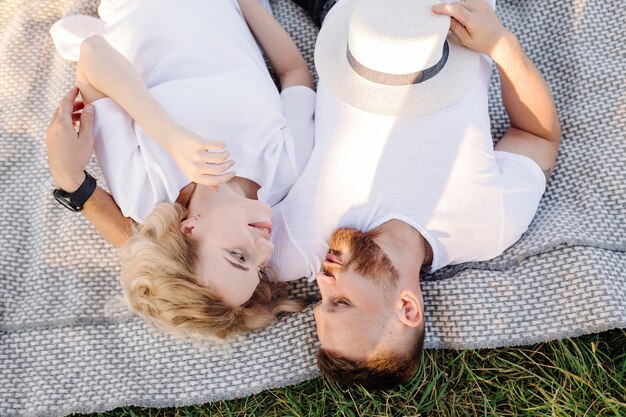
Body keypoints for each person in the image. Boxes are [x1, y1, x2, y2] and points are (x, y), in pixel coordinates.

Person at [272, 0, 561, 388]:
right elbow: (538, 137)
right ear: (407, 306)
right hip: (448, 12)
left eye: (321, 302)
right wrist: (500, 45)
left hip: (349, 17)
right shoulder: (487, 227)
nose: (322, 283)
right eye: (340, 302)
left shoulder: (298, 244)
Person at [46, 0, 316, 339]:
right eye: (259, 269)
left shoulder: (142, 189)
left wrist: (169, 134)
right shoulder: (286, 170)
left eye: (239, 256)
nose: (266, 249)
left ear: (189, 229)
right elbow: (294, 72)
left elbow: (93, 53)